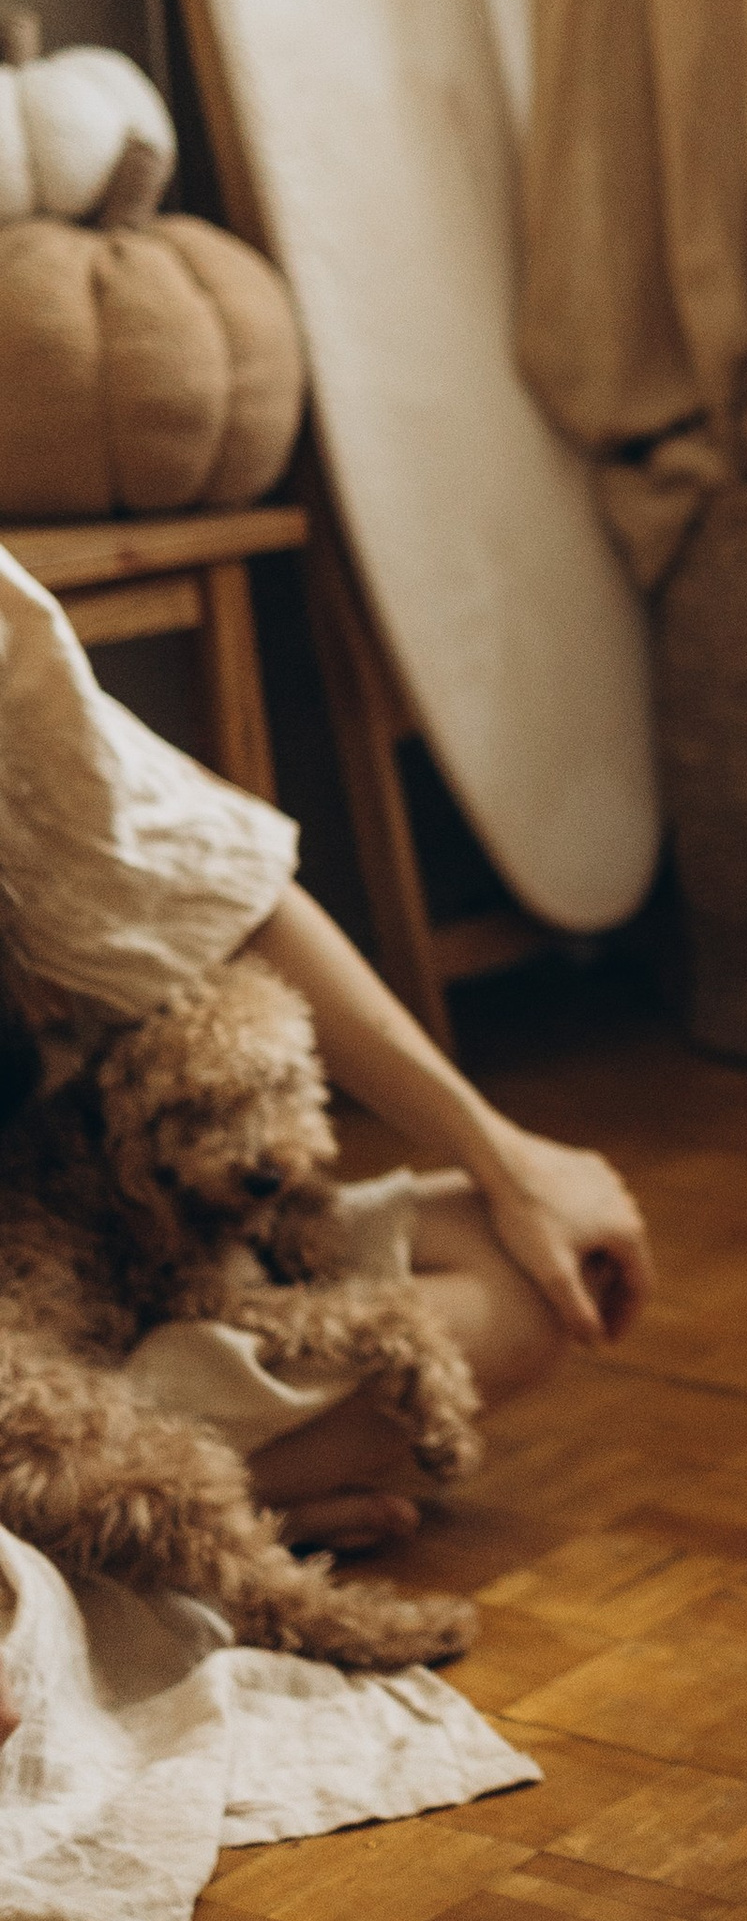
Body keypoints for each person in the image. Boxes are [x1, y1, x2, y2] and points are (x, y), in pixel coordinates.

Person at [0, 545, 650, 1556]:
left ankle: (128, 1510)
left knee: (524, 1281)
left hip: (95, 1257)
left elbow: (215, 886)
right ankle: (130, 1521)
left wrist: (506, 1156)